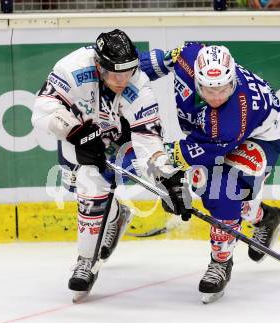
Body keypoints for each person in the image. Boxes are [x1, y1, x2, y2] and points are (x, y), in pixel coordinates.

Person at [31, 29, 190, 302]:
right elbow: (44, 106)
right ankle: (115, 214)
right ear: (98, 65)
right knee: (80, 187)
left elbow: (148, 139)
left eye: (128, 72)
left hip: (120, 135)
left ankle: (85, 259)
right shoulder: (72, 68)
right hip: (80, 132)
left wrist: (167, 179)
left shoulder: (138, 85)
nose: (121, 80)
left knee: (91, 187)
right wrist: (76, 132)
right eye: (115, 73)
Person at [139, 43, 280, 303]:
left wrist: (146, 151)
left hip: (260, 137)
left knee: (223, 194)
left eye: (224, 87)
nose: (217, 95)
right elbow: (153, 63)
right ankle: (266, 217)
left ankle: (221, 262)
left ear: (232, 79)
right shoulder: (189, 56)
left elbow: (181, 155)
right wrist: (114, 77)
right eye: (210, 89)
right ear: (198, 80)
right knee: (212, 193)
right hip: (215, 134)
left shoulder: (232, 118)